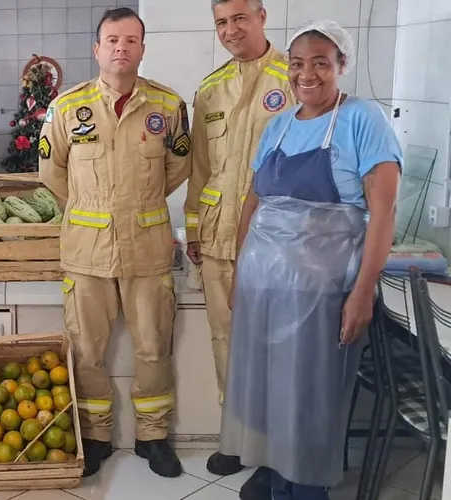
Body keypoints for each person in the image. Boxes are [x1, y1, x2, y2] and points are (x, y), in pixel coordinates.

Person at [220, 20, 401, 500]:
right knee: (269, 396)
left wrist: (361, 294)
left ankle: (305, 492)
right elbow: (252, 204)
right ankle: (278, 481)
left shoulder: (363, 120)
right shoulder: (278, 126)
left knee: (310, 401)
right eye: (298, 64)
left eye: (321, 63)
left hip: (321, 295)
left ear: (342, 66)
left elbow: (383, 216)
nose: (307, 75)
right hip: (265, 290)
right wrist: (240, 275)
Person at [39, 8, 191, 479]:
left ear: (143, 48)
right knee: (87, 350)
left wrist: (134, 205)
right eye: (112, 40)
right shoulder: (68, 107)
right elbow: (51, 172)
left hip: (147, 250)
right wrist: (91, 207)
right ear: (97, 49)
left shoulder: (168, 107)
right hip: (86, 252)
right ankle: (97, 436)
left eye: (131, 39)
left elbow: (178, 169)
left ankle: (153, 437)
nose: (121, 47)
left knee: (152, 347)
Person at [181, 0, 296, 491]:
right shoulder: (209, 90)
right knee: (226, 344)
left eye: (239, 18)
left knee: (277, 346)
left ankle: (275, 449)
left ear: (262, 15)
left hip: (276, 244)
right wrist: (193, 229)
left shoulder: (296, 79)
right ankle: (237, 439)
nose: (230, 29)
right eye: (221, 22)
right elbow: (199, 170)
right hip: (218, 240)